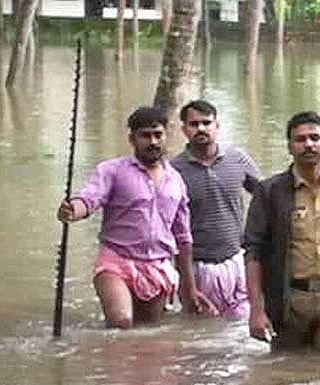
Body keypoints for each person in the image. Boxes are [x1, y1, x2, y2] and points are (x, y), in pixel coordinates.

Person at [57, 106, 213, 328]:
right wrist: (73, 209)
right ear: (132, 139)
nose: (152, 142)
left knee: (147, 332)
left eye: (158, 135)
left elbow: (183, 238)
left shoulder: (176, 181)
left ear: (165, 137)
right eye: (145, 136)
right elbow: (90, 197)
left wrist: (189, 289)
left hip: (157, 266)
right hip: (115, 261)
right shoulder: (112, 171)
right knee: (122, 322)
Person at [242, 111, 320, 350]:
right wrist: (256, 309)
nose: (308, 145)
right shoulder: (270, 192)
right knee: (286, 373)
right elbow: (253, 252)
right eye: (300, 139)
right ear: (289, 146)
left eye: (315, 138)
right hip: (289, 301)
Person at [171, 99, 261, 319]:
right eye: (194, 124)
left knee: (242, 328)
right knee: (201, 329)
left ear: (217, 126)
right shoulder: (174, 170)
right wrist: (184, 282)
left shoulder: (238, 159)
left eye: (206, 122)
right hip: (197, 266)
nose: (201, 128)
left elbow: (265, 199)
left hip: (236, 260)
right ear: (184, 129)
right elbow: (165, 225)